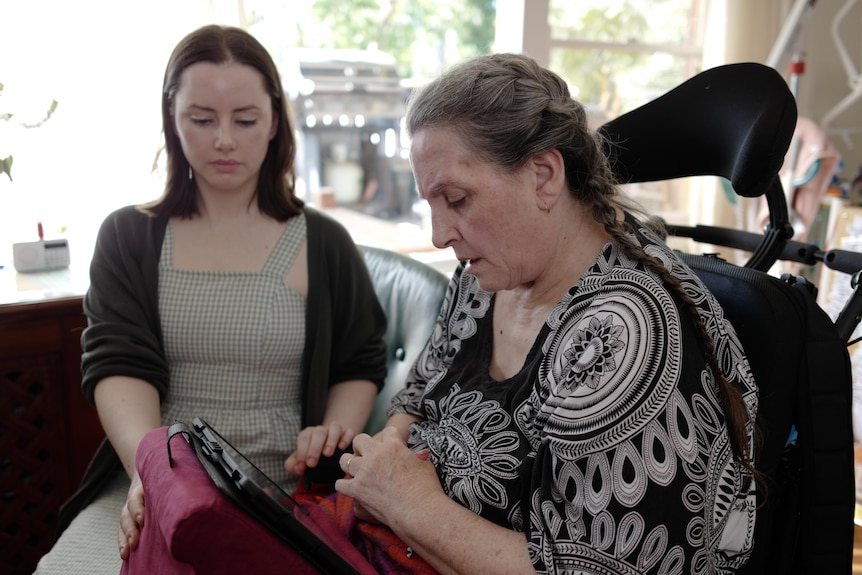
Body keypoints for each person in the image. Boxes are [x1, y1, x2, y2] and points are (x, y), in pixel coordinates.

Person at [330, 53, 759, 574]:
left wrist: (409, 502)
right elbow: (421, 391)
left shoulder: (623, 338)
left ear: (544, 176)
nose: (439, 234)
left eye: (457, 199)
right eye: (431, 205)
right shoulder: (484, 279)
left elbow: (594, 567)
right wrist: (385, 457)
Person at [35, 24, 387, 574]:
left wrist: (333, 431)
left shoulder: (324, 242)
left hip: (283, 488)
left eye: (245, 120)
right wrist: (152, 476)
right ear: (172, 121)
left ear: (274, 120)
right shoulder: (128, 236)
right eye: (202, 119)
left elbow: (359, 360)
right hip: (152, 481)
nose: (225, 139)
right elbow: (118, 364)